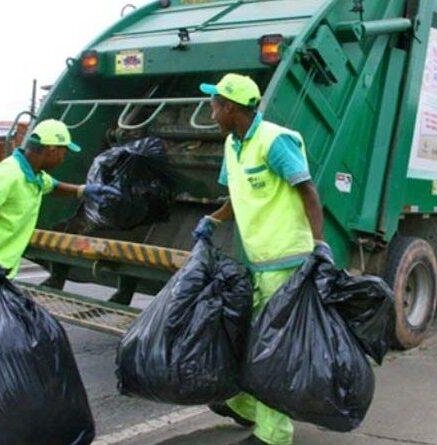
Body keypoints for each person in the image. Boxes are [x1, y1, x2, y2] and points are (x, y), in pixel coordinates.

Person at [193, 73, 330, 445]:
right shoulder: (231, 145)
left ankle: (274, 435)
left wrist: (317, 244)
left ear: (232, 108)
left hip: (286, 261)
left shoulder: (274, 141)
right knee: (246, 338)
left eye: (216, 104)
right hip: (256, 261)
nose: (211, 109)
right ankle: (246, 404)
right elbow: (235, 199)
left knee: (273, 349)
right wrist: (212, 220)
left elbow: (308, 191)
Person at [0, 119, 120, 279]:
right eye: (63, 152)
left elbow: (52, 186)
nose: (63, 159)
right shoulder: (9, 174)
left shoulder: (35, 176)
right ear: (51, 149)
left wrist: (83, 191)